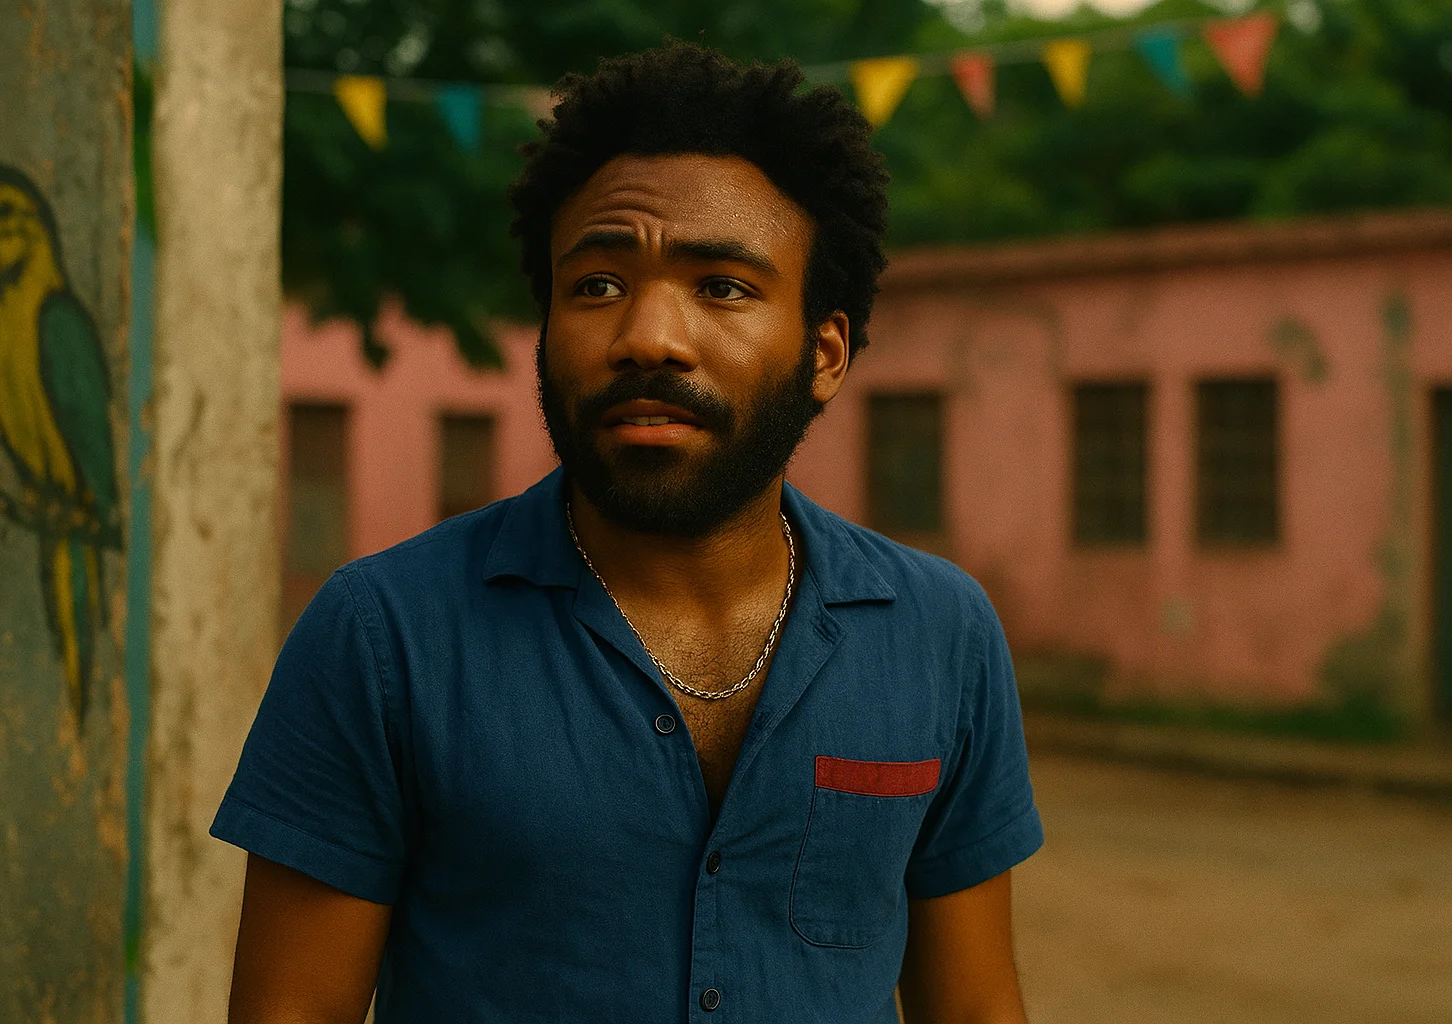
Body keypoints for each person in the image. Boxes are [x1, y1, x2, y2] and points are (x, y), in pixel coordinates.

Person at [214, 42, 1042, 1024]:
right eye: (597, 284)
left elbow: (977, 1005)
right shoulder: (380, 636)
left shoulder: (940, 634)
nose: (647, 334)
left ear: (826, 351)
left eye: (722, 287)